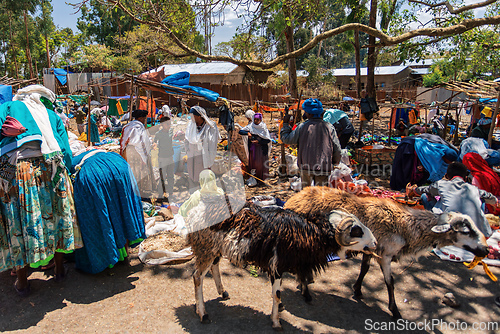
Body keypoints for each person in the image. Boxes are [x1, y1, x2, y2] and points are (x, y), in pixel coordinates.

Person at [0, 85, 81, 296]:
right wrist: (68, 172)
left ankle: (22, 282)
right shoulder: (52, 115)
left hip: (19, 171)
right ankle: (60, 270)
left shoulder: (8, 107)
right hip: (52, 168)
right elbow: (64, 149)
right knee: (57, 216)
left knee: (16, 222)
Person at [71, 150, 146, 274]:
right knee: (123, 210)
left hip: (93, 174)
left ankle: (106, 259)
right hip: (119, 166)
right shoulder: (108, 154)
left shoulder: (71, 164)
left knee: (99, 216)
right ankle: (124, 252)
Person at [410, 161, 498, 237]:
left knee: (425, 196)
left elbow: (424, 189)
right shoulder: (473, 189)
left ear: (447, 176)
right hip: (476, 230)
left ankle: (433, 225)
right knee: (480, 200)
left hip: (450, 228)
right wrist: (494, 203)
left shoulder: (441, 184)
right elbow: (490, 197)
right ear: (465, 178)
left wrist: (413, 190)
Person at [281, 98, 341, 187]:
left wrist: (285, 125)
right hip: (323, 167)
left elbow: (287, 139)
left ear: (308, 113)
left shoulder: (302, 127)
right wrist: (334, 163)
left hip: (306, 167)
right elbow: (337, 148)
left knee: (306, 195)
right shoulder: (329, 127)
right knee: (321, 195)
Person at [120, 109, 155, 199]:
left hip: (128, 152)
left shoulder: (128, 127)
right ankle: (139, 193)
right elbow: (141, 142)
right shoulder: (138, 128)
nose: (144, 120)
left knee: (131, 171)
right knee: (139, 172)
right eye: (143, 118)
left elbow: (123, 141)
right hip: (137, 153)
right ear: (140, 118)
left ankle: (131, 190)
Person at [184, 106, 220, 192]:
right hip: (192, 154)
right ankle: (194, 191)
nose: (191, 118)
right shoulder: (191, 125)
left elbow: (212, 144)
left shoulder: (210, 127)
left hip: (202, 155)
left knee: (202, 174)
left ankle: (203, 191)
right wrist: (187, 151)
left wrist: (210, 159)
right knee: (192, 173)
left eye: (193, 116)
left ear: (199, 116)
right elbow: (187, 139)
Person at [239, 113, 271, 181]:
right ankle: (254, 178)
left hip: (261, 149)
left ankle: (261, 179)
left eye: (258, 120)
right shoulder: (251, 126)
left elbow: (267, 140)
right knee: (254, 163)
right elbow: (241, 131)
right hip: (253, 149)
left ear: (260, 120)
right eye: (255, 119)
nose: (256, 121)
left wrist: (259, 142)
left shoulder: (263, 128)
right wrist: (247, 133)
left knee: (261, 164)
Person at [154, 107, 175, 196]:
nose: (169, 126)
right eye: (167, 124)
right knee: (162, 177)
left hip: (170, 157)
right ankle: (160, 194)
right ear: (162, 125)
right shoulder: (158, 134)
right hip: (162, 158)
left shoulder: (171, 131)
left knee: (171, 176)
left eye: (170, 124)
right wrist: (154, 145)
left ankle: (170, 192)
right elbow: (154, 142)